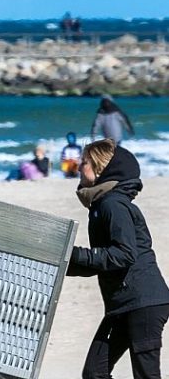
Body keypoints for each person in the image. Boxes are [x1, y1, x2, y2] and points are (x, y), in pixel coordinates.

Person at [67, 139, 169, 378]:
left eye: (84, 162)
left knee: (146, 374)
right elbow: (104, 262)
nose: (79, 167)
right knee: (95, 372)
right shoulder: (102, 204)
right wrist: (64, 264)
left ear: (101, 169)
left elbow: (124, 254)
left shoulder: (113, 204)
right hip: (124, 303)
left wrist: (76, 254)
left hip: (143, 301)